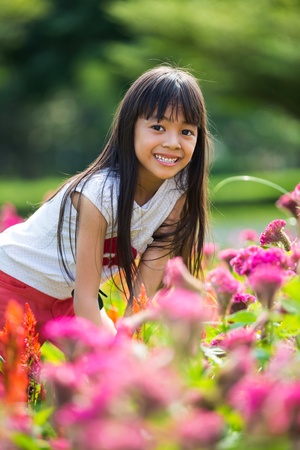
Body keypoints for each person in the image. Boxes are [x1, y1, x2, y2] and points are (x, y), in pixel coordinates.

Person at [0, 65, 211, 343]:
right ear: (130, 128)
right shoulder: (102, 194)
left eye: (186, 131)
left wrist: (125, 344)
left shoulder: (176, 192)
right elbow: (86, 298)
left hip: (66, 299)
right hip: (12, 285)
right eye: (158, 127)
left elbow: (140, 299)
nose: (173, 143)